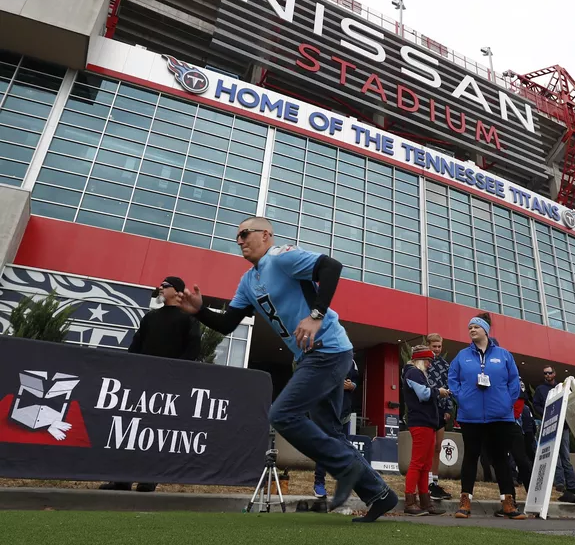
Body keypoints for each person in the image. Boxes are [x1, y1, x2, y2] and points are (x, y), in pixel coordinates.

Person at [179, 217, 397, 523]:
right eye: (237, 237)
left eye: (244, 233)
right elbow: (228, 323)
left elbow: (331, 267)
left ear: (265, 234)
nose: (239, 240)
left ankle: (351, 471)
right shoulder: (248, 281)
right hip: (308, 357)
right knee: (329, 432)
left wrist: (316, 315)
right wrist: (200, 310)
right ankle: (381, 495)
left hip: (329, 350)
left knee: (282, 415)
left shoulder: (282, 258)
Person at [100, 276, 200, 493]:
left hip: (167, 388)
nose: (160, 288)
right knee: (129, 429)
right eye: (161, 286)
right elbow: (134, 348)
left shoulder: (188, 320)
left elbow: (192, 352)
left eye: (165, 286)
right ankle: (122, 480)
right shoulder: (150, 318)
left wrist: (173, 375)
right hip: (139, 382)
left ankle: (148, 479)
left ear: (178, 291)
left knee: (156, 432)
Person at [447, 314, 526, 520]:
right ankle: (465, 503)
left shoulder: (504, 355)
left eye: (475, 327)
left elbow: (514, 382)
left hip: (500, 416)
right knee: (471, 457)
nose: (472, 330)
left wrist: (506, 403)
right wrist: (461, 399)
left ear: (485, 330)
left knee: (500, 458)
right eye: (469, 327)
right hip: (470, 416)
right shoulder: (462, 356)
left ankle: (508, 502)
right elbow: (452, 379)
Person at [401, 344, 450, 516]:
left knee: (425, 464)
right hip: (421, 422)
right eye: (428, 360)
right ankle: (411, 501)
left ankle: (424, 502)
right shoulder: (414, 372)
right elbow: (424, 394)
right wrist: (439, 391)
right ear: (420, 360)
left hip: (426, 422)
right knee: (418, 463)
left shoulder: (416, 373)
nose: (430, 364)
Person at [533, 365, 575, 503]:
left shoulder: (562, 387)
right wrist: (545, 414)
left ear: (554, 373)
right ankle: (560, 483)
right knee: (555, 456)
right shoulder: (540, 390)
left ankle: (571, 485)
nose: (547, 375)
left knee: (565, 456)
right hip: (549, 423)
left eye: (549, 372)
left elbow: (570, 403)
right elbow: (536, 405)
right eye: (545, 373)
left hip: (563, 425)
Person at [313, 360, 359, 499]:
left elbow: (356, 381)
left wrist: (352, 386)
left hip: (344, 414)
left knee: (343, 451)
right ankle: (319, 483)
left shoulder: (351, 361)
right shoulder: (323, 356)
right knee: (324, 449)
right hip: (327, 412)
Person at [426, 333, 454, 500]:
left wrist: (448, 409)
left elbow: (449, 387)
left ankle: (434, 483)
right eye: (434, 346)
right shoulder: (422, 363)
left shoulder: (445, 365)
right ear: (428, 345)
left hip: (441, 410)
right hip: (426, 409)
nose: (436, 349)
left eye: (439, 346)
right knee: (427, 447)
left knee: (438, 446)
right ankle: (425, 483)